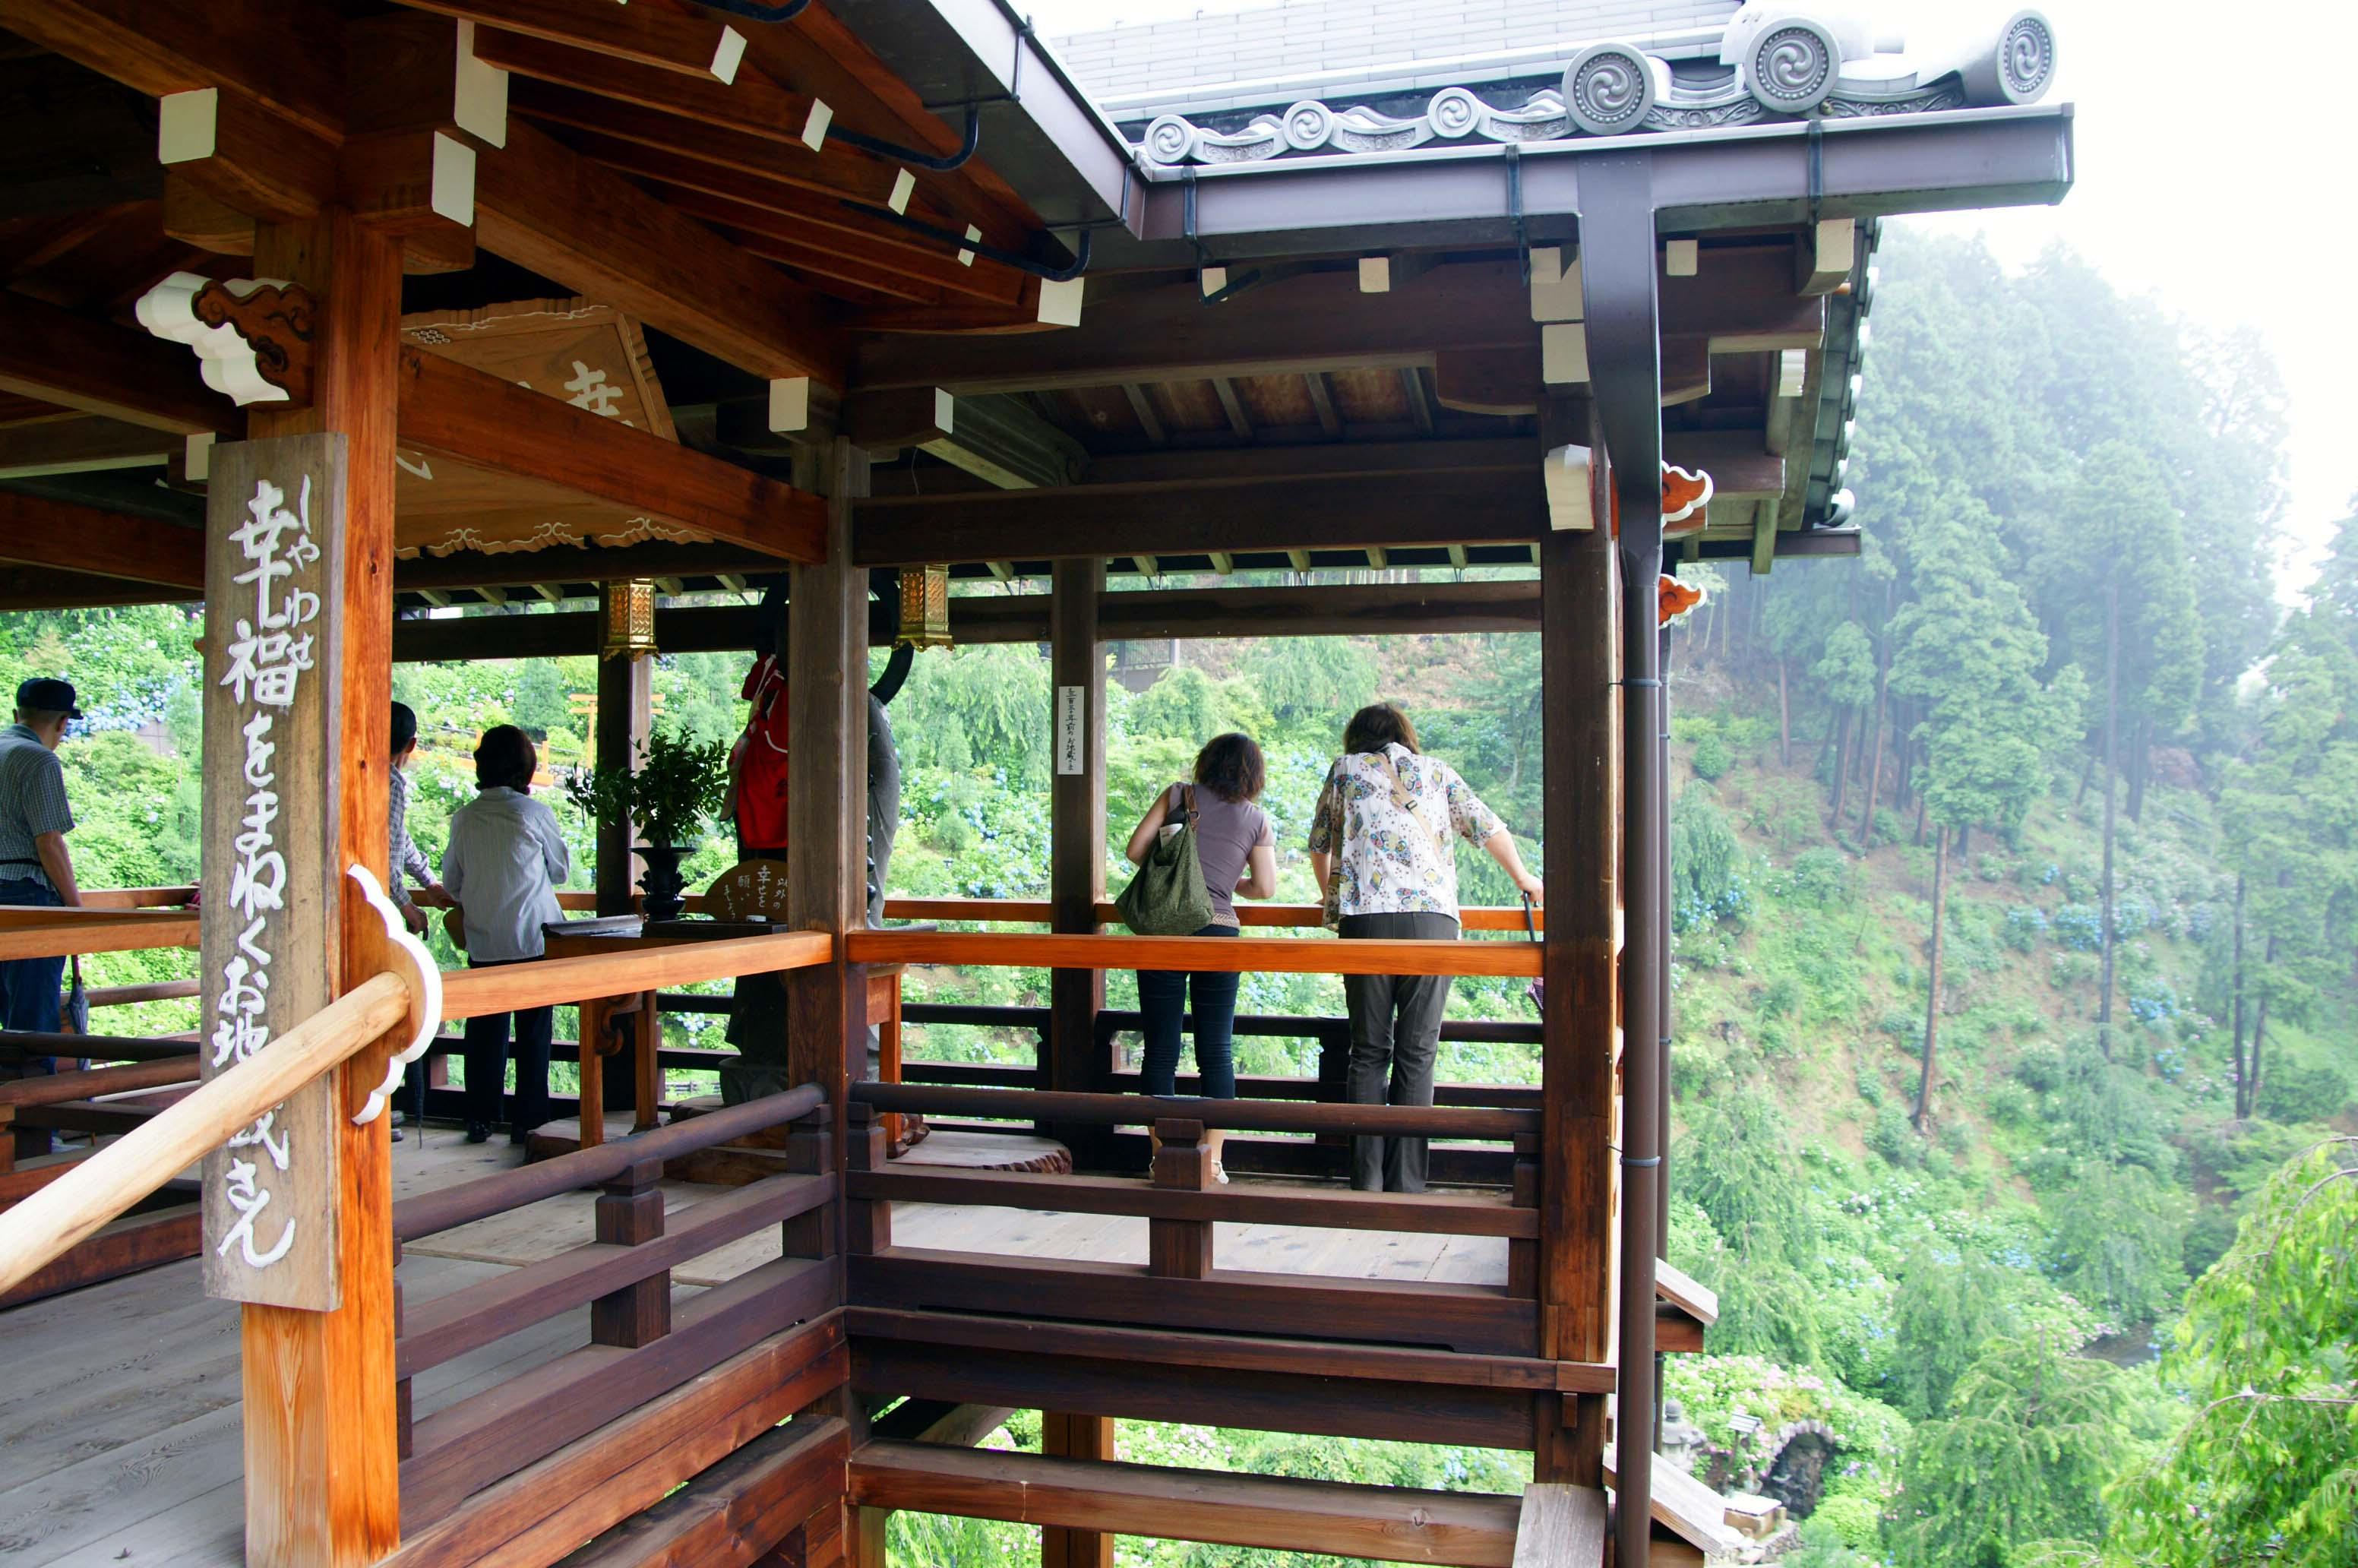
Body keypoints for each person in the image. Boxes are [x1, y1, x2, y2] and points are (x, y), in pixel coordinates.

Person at [1308, 703, 1541, 1193]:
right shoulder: (1436, 772)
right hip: (1433, 922)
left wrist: (1330, 896)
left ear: (1356, 737)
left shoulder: (1345, 771)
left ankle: (1366, 1181)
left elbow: (1320, 844)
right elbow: (1488, 827)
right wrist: (1524, 878)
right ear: (1405, 735)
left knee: (1368, 1050)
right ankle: (1408, 1184)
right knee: (1417, 1051)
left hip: (1367, 920)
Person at [1124, 732, 1277, 1184]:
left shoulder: (1177, 795)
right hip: (1219, 932)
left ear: (1206, 762)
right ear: (1253, 774)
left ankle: (1163, 1158)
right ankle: (1212, 1160)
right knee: (1216, 1051)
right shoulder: (1256, 819)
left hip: (1163, 932)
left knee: (1160, 1049)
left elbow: (1135, 851)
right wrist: (1229, 883)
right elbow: (1265, 888)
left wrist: (1178, 874)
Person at [441, 725, 569, 1145]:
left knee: (485, 1034)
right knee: (533, 1035)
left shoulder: (464, 818)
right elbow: (560, 872)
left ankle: (479, 1118)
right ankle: (528, 1122)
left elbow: (452, 883)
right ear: (524, 768)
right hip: (533, 937)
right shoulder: (534, 814)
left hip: (485, 940)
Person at [0, 678, 83, 1070]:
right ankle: (35, 1105)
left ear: (17, 714)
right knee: (32, 1017)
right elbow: (49, 842)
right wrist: (76, 909)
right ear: (63, 722)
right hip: (26, 894)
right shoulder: (38, 760)